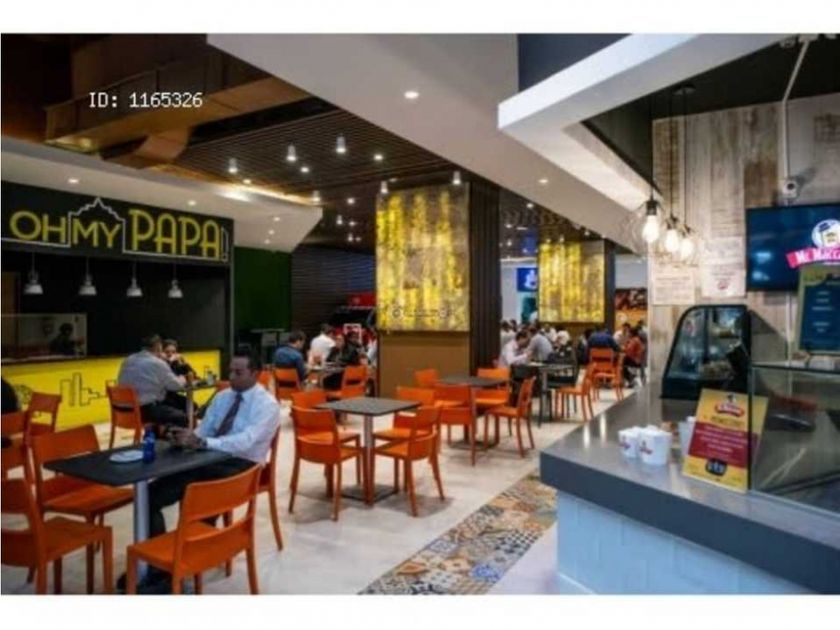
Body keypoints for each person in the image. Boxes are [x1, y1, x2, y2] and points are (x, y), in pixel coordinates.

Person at [132, 348, 279, 592]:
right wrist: (189, 437)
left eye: (238, 372)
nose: (231, 377)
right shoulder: (223, 397)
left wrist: (203, 442)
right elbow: (206, 429)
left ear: (255, 373)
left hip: (241, 467)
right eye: (230, 371)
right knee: (149, 496)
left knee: (195, 504)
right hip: (205, 459)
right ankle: (157, 567)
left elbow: (246, 441)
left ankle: (176, 570)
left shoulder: (267, 405)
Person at [117, 334, 188, 428]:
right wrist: (182, 379)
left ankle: (159, 434)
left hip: (122, 412)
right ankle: (175, 437)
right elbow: (176, 386)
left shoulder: (127, 360)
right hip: (142, 412)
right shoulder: (158, 363)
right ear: (158, 347)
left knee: (171, 404)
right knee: (181, 417)